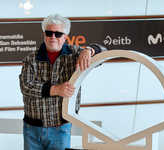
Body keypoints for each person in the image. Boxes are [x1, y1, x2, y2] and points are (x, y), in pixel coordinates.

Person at [19, 14, 107, 150]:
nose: (53, 37)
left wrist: (90, 50)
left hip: (61, 128)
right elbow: (25, 86)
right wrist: (55, 89)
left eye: (58, 33)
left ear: (65, 36)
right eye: (49, 33)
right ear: (44, 35)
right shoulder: (31, 59)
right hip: (32, 129)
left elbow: (104, 53)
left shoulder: (76, 54)